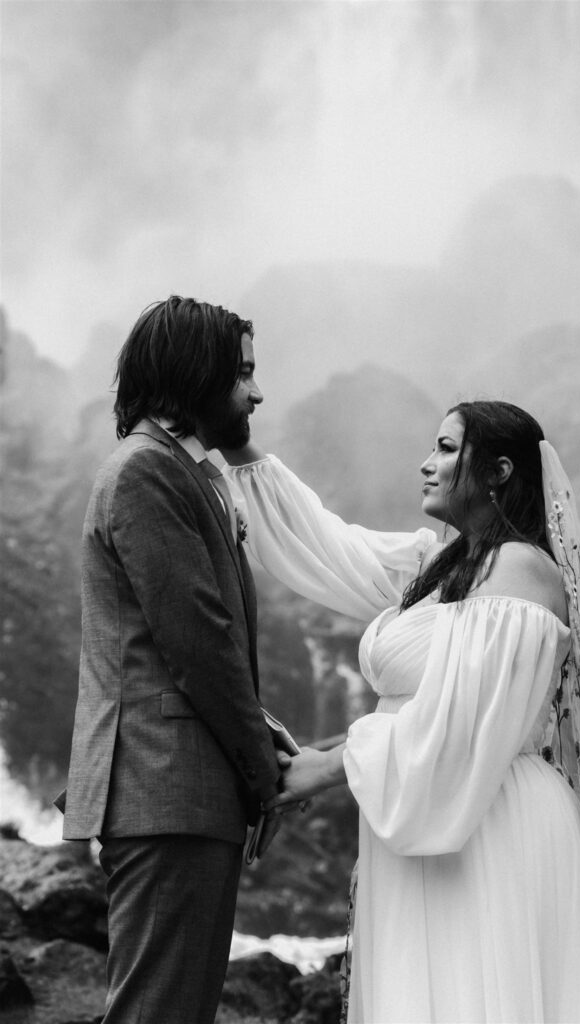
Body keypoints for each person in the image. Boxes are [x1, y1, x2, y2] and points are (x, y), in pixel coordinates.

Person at [221, 400, 580, 1024]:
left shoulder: (522, 569)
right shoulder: (440, 568)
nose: (427, 464)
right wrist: (236, 444)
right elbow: (324, 543)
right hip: (424, 801)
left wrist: (324, 768)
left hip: (488, 811)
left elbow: (460, 718)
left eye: (447, 449)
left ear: (499, 471)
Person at [57, 296, 281, 1024]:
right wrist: (265, 776)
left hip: (180, 795)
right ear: (195, 375)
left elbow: (187, 646)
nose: (255, 392)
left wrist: (263, 733)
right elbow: (200, 643)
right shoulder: (144, 473)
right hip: (167, 791)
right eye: (241, 374)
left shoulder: (176, 470)